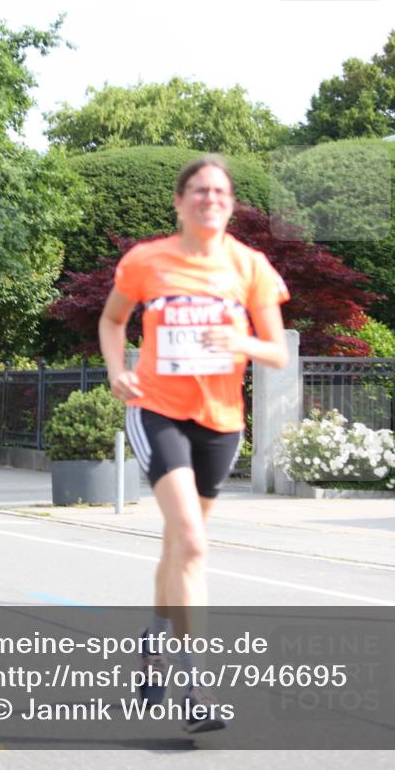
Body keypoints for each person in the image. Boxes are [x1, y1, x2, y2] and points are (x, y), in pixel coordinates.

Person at [98, 155, 291, 733]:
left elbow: (277, 351)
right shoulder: (145, 261)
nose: (211, 198)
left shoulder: (250, 266)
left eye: (221, 192)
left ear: (231, 204)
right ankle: (195, 687)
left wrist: (240, 339)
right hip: (157, 411)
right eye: (199, 191)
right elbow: (112, 321)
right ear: (179, 202)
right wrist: (115, 371)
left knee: (180, 547)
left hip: (221, 420)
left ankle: (155, 639)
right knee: (193, 543)